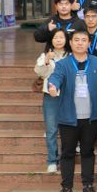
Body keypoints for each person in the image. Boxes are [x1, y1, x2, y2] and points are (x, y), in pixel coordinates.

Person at [47, 29, 97, 192]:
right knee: (67, 153)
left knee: (88, 152)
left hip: (91, 117)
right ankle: (66, 187)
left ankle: (88, 185)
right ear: (71, 43)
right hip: (68, 118)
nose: (80, 43)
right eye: (76, 40)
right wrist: (53, 86)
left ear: (89, 43)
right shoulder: (63, 64)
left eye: (83, 40)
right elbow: (55, 78)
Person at [34, 28, 69, 173]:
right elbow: (40, 73)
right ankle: (52, 160)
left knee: (69, 129)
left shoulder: (71, 55)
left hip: (69, 96)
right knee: (51, 129)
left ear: (66, 39)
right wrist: (47, 60)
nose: (58, 40)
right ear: (51, 40)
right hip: (51, 96)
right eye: (55, 38)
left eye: (61, 37)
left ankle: (66, 158)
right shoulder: (45, 55)